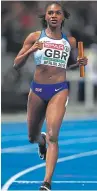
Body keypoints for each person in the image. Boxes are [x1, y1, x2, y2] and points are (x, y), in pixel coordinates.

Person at [13, 2, 88, 190]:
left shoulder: (69, 41)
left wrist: (79, 62)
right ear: (45, 17)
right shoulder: (34, 37)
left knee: (54, 136)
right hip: (38, 90)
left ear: (63, 17)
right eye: (50, 13)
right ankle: (41, 141)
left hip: (59, 90)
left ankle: (47, 182)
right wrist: (31, 50)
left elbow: (68, 65)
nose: (54, 15)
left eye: (58, 13)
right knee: (32, 136)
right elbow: (16, 64)